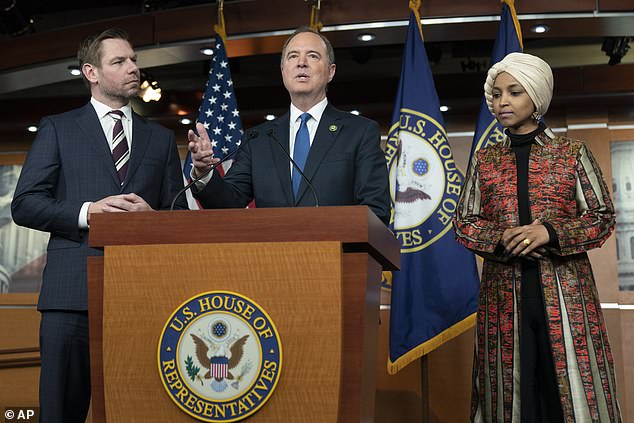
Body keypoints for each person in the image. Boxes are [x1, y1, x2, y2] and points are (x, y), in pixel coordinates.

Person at [11, 28, 187, 422]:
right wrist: (88, 212)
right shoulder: (58, 128)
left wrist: (152, 220)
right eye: (120, 62)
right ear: (91, 72)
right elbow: (24, 204)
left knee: (137, 410)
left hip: (140, 297)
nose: (133, 68)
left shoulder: (160, 139)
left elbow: (178, 218)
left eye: (134, 60)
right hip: (70, 296)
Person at [454, 52, 622, 422]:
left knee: (569, 393)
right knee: (511, 395)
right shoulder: (485, 160)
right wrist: (503, 237)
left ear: (537, 97)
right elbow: (464, 221)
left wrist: (549, 232)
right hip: (502, 297)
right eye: (497, 94)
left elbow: (603, 217)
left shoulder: (571, 153)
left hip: (568, 295)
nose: (502, 102)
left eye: (514, 92)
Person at [187, 26, 390, 224]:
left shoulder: (360, 132)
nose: (301, 63)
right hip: (274, 255)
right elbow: (228, 204)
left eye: (312, 56)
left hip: (337, 254)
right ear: (283, 70)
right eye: (293, 56)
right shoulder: (258, 139)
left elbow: (376, 212)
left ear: (331, 71)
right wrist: (204, 173)